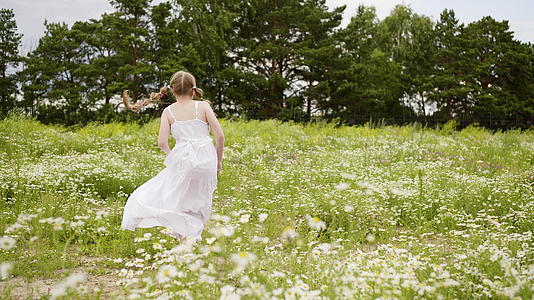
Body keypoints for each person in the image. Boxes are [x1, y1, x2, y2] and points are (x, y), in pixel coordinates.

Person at [121, 71, 224, 244]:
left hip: (183, 159)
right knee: (198, 198)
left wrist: (174, 157)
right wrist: (218, 160)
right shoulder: (203, 106)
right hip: (206, 159)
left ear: (172, 91)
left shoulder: (168, 112)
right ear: (193, 90)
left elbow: (162, 143)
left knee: (172, 195)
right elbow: (219, 136)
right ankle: (190, 237)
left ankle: (185, 237)